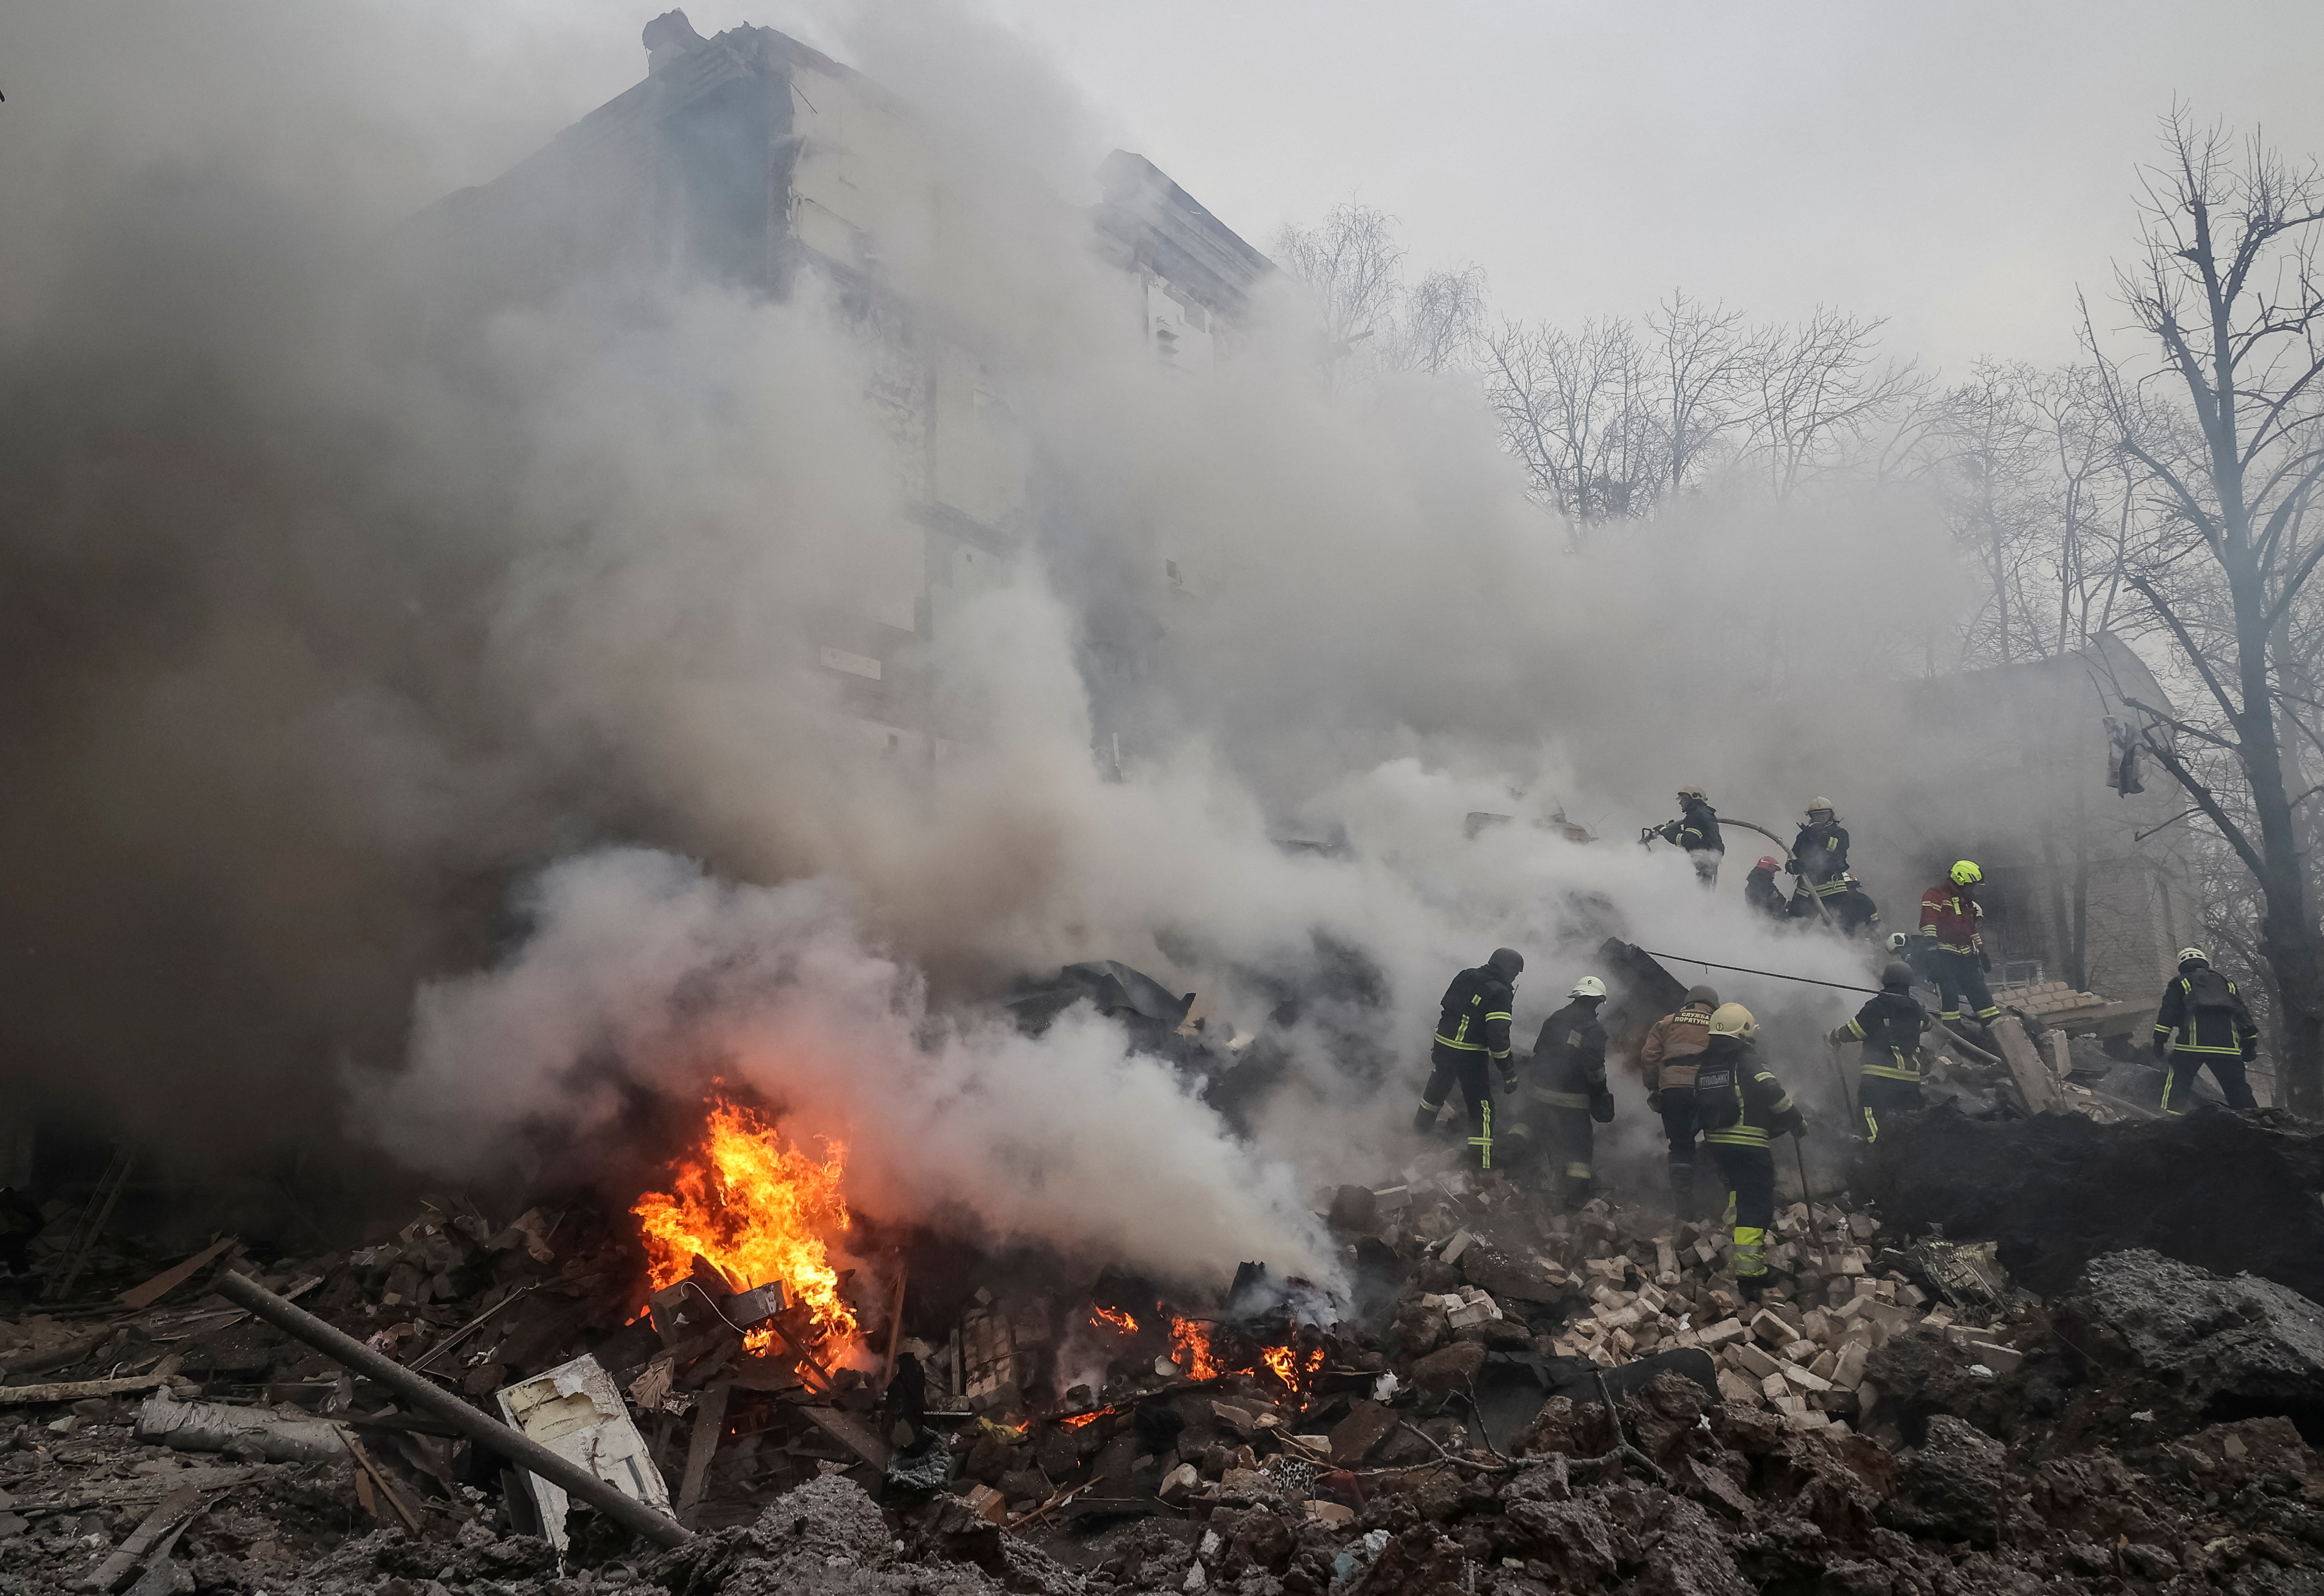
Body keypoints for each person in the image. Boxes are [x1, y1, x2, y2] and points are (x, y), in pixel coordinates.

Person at [1693, 1003, 1804, 1302]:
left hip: (1717, 1145)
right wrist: (1795, 1119)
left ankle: (1733, 1242)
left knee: (1736, 1192)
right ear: (1742, 1031)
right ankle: (1750, 1271)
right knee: (1756, 1202)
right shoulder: (1744, 1058)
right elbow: (1771, 1091)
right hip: (1748, 1144)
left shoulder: (1707, 1064)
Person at [1509, 977, 1615, 1208]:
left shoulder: (1555, 1017)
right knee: (1580, 1149)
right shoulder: (1595, 1030)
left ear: (1576, 996)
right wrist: (1601, 1094)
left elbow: (1538, 1050)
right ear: (1598, 1001)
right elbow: (1594, 1069)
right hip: (1573, 1100)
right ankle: (1575, 1199)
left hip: (1540, 1091)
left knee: (1525, 1126)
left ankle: (1506, 1161)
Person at [1414, 948, 1522, 1168]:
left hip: (1443, 1044)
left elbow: (1448, 1008)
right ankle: (1480, 1164)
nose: (1514, 978)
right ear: (1508, 968)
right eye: (1516, 973)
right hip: (1469, 1053)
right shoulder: (1500, 992)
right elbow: (1498, 1035)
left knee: (1437, 1089)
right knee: (1482, 1105)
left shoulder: (1466, 975)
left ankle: (1418, 1132)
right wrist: (1508, 1071)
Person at [1637, 985, 1719, 1218]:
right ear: (1713, 1004)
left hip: (1673, 1090)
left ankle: (1684, 1210)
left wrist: (1653, 1087)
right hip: (1708, 1088)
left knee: (1681, 1146)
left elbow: (1649, 1057)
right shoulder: (1718, 1023)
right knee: (1717, 1141)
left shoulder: (1667, 1022)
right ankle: (1718, 1201)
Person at [1827, 961, 1929, 1141]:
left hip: (1879, 1080)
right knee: (1908, 1122)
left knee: (1871, 1120)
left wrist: (1834, 1035)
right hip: (1911, 1081)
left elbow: (1853, 1032)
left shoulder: (1876, 1007)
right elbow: (1927, 1026)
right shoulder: (1918, 1010)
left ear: (1885, 981)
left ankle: (1876, 1156)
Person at [2153, 948, 2260, 1113]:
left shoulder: (2180, 982)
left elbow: (2168, 1012)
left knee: (2178, 1085)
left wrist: (2160, 1040)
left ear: (2181, 964)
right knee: (2238, 1090)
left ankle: (2169, 1119)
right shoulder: (2227, 984)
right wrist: (2250, 1043)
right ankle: (2257, 1123)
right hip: (2228, 1049)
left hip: (2191, 1047)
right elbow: (2242, 1015)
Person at [1919, 861, 2001, 1038]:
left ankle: (1995, 1026)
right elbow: (1929, 923)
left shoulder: (1967, 903)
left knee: (1979, 990)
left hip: (1967, 957)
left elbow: (1972, 931)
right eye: (1972, 886)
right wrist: (1933, 954)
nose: (1974, 890)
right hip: (1945, 956)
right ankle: (1953, 1030)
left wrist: (1982, 952)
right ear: (1961, 881)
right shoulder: (1935, 895)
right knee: (1949, 994)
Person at [1786, 798, 1852, 919]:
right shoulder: (1803, 836)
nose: (1820, 818)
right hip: (1806, 890)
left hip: (1833, 889)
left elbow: (1836, 848)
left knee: (1838, 926)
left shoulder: (1840, 833)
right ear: (1811, 816)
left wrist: (1819, 835)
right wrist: (1794, 867)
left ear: (1831, 815)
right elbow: (1791, 858)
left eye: (1824, 814)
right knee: (1794, 926)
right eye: (1817, 815)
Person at [1652, 785, 1725, 888]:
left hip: (1699, 864)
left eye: (1683, 799)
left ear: (1694, 798)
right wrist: (1677, 831)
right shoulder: (1707, 815)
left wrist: (1665, 831)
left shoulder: (1695, 816)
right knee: (1702, 895)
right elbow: (1700, 839)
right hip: (1708, 865)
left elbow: (1688, 841)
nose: (1680, 802)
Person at [1744, 858, 1789, 923]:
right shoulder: (1765, 885)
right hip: (1770, 924)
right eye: (1773, 872)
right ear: (1769, 870)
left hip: (1759, 922)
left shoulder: (1754, 883)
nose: (1774, 876)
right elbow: (1779, 901)